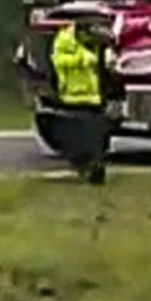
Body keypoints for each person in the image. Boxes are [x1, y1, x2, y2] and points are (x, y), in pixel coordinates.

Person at [49, 19, 115, 185]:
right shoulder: (64, 40)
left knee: (97, 135)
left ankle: (97, 168)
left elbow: (103, 68)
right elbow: (58, 61)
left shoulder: (98, 44)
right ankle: (85, 166)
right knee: (79, 137)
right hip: (73, 97)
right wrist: (81, 59)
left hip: (94, 98)